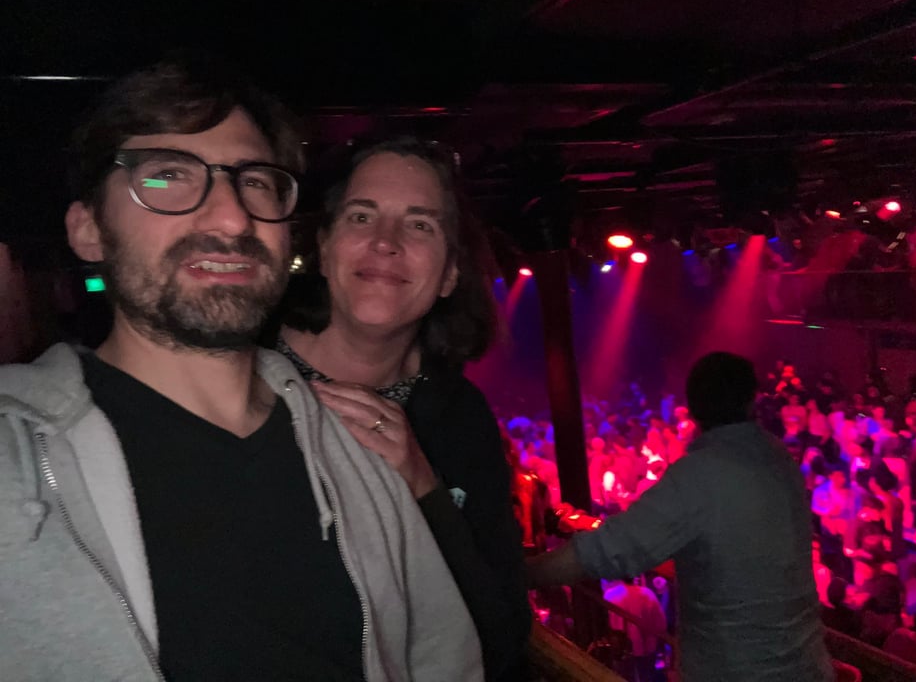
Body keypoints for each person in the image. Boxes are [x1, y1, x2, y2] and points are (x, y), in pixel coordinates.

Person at [0, 58, 482, 681]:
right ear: (88, 229)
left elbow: (447, 660)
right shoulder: (18, 463)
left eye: (255, 182)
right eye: (168, 174)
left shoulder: (358, 454)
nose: (232, 218)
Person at [275, 136, 530, 680]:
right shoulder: (235, 374)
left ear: (450, 274)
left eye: (420, 225)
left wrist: (423, 487)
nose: (385, 242)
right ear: (324, 247)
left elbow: (502, 633)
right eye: (362, 216)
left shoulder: (461, 418)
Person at [527, 351, 833, 681]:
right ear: (751, 401)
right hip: (807, 665)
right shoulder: (780, 460)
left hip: (739, 671)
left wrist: (523, 574)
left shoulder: (698, 474)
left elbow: (610, 550)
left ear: (694, 409)